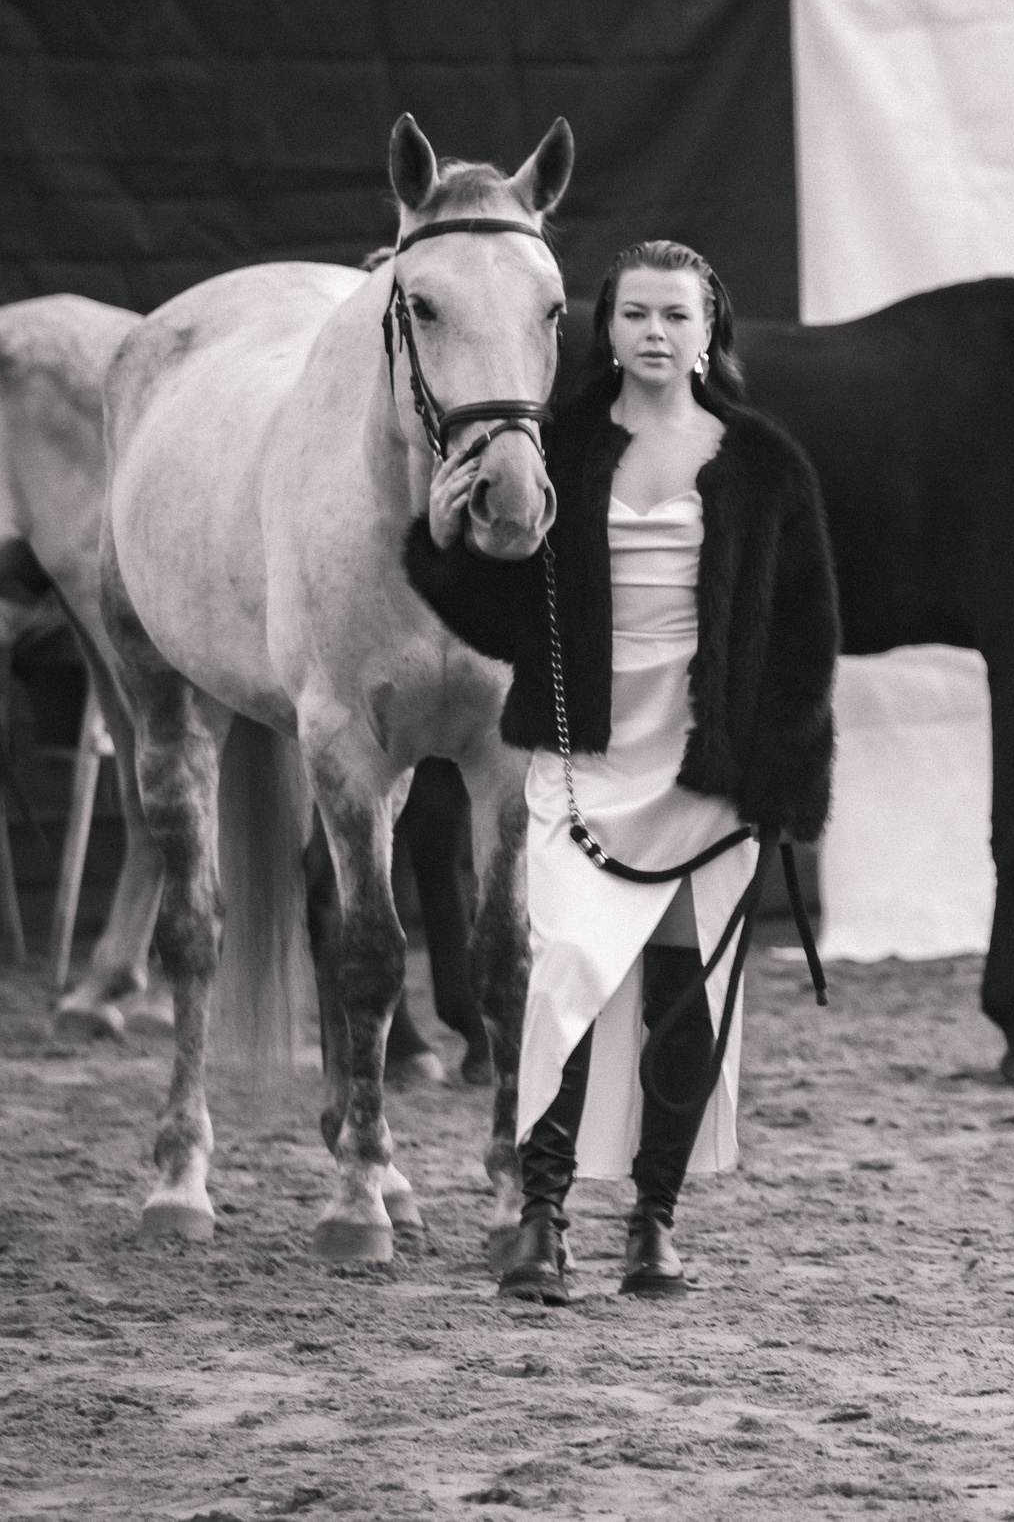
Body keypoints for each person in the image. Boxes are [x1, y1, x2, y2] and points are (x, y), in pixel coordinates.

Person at [405, 239, 838, 1301]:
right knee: (565, 983)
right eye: (635, 313)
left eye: (674, 315)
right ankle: (541, 1220)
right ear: (607, 329)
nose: (654, 331)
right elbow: (502, 619)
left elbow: (804, 637)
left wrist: (782, 779)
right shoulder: (558, 449)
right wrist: (440, 544)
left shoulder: (767, 461)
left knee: (687, 999)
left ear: (707, 331)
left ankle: (653, 1221)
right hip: (582, 755)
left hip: (709, 764)